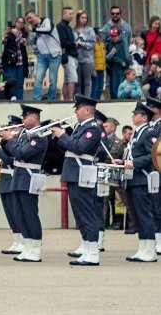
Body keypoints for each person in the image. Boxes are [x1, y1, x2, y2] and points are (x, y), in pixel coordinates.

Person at [57, 94, 108, 265]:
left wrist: (62, 135)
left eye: (78, 108)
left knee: (87, 213)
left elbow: (79, 147)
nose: (76, 112)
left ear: (87, 110)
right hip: (75, 173)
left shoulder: (93, 127)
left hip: (82, 173)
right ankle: (87, 248)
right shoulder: (82, 127)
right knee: (80, 214)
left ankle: (93, 252)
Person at [1, 104, 54, 262]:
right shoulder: (25, 134)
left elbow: (20, 153)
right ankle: (28, 245)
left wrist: (9, 139)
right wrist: (6, 141)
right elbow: (12, 152)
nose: (23, 118)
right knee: (19, 214)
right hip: (19, 177)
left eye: (26, 115)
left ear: (35, 118)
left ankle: (35, 248)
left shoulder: (39, 136)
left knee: (30, 214)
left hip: (29, 177)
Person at [125, 99, 159, 263]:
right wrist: (123, 161)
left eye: (136, 113)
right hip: (133, 178)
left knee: (145, 215)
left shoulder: (149, 133)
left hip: (142, 178)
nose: (133, 115)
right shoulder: (137, 133)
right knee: (137, 216)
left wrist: (134, 163)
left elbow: (154, 155)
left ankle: (150, 250)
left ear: (144, 117)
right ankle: (143, 248)